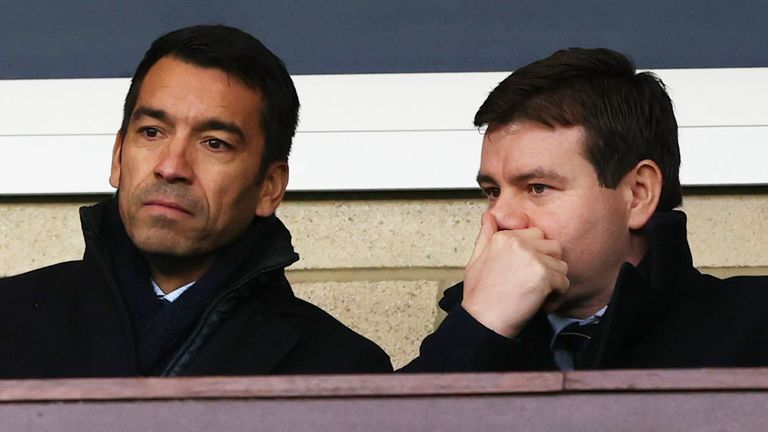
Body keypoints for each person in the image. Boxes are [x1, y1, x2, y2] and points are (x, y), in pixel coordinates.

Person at [0, 25, 391, 377]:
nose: (171, 167)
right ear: (118, 157)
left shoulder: (340, 370)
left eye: (214, 143)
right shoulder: (10, 319)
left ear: (269, 186)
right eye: (152, 132)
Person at [403, 48, 768, 372]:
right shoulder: (471, 335)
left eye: (537, 187)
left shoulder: (752, 329)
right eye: (493, 190)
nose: (503, 217)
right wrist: (477, 328)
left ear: (638, 194)